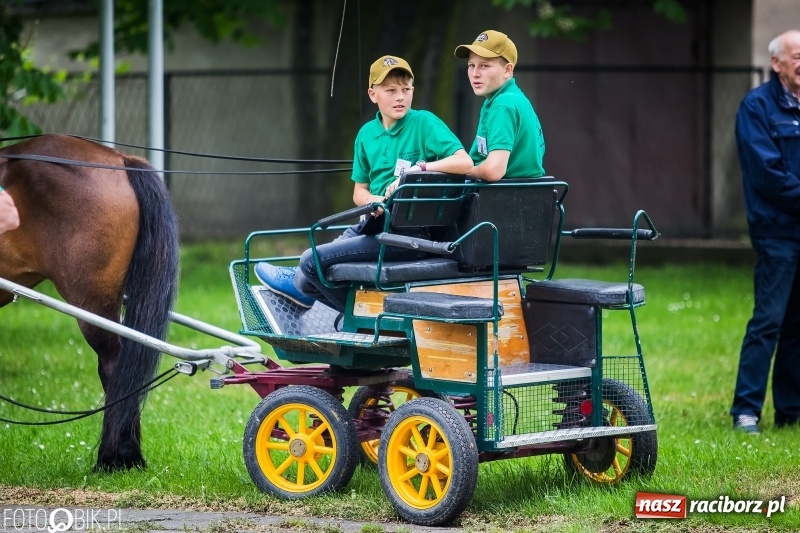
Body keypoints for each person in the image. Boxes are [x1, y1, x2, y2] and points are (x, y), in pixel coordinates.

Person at [256, 55, 473, 312]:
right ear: (373, 94)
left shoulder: (424, 123)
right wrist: (376, 202)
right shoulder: (366, 134)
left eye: (406, 90)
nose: (400, 97)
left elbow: (465, 163)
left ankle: (361, 317)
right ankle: (324, 298)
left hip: (407, 237)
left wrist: (420, 168)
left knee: (309, 261)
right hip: (372, 225)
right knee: (306, 277)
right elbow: (359, 192)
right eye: (391, 91)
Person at [731, 29, 800, 434]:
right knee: (769, 320)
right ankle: (746, 411)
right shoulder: (757, 107)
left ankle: (790, 410)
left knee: (797, 323)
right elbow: (767, 174)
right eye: (798, 56)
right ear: (776, 63)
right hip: (777, 230)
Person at [454, 30, 545, 181]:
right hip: (520, 196)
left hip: (505, 199)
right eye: (471, 65)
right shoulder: (516, 99)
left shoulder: (503, 104)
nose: (475, 73)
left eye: (484, 66)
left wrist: (457, 172)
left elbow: (493, 170)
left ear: (507, 70)